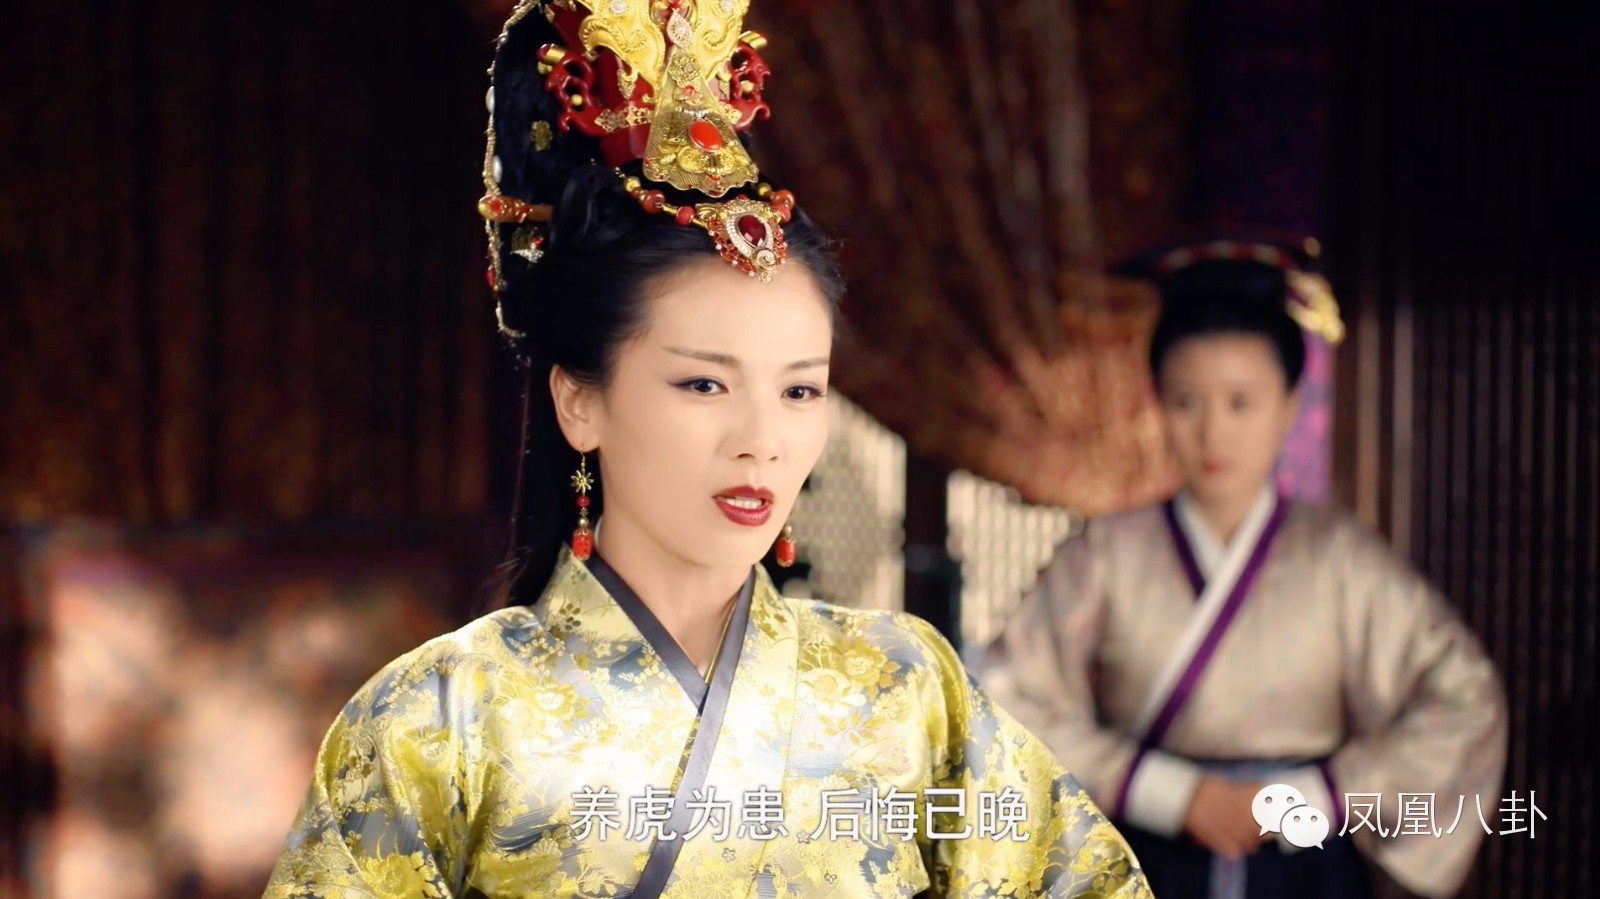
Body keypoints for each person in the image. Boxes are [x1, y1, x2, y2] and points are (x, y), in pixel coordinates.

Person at [263, 2, 1151, 896]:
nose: (762, 441)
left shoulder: (907, 685)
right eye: (703, 384)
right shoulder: (440, 715)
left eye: (799, 390)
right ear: (580, 401)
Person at [977, 239, 1508, 899]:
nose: (1213, 432)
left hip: (1305, 867)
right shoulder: (1105, 553)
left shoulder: (1342, 558)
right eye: (1186, 402)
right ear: (1157, 401)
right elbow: (1002, 696)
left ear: (1289, 403)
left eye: (1241, 402)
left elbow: (1464, 697)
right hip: (1141, 855)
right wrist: (1163, 792)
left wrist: (1321, 793)